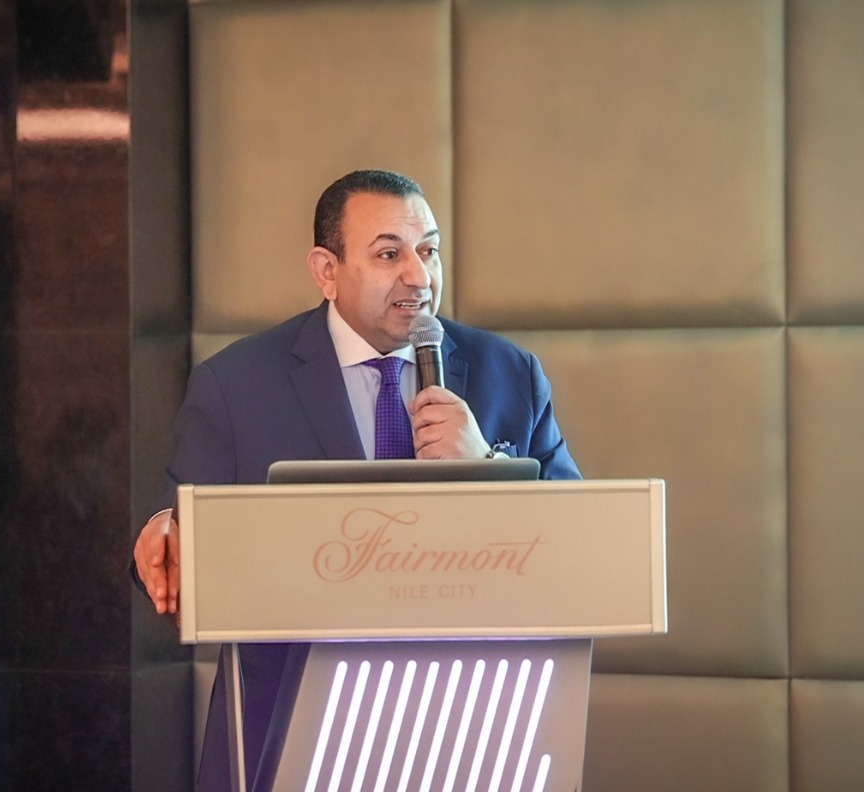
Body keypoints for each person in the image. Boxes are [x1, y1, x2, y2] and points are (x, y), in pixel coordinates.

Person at [131, 169, 580, 788]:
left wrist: (488, 467)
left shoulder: (509, 374)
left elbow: (581, 549)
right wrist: (165, 531)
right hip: (289, 736)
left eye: (429, 251)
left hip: (471, 731)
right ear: (327, 271)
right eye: (390, 254)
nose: (419, 277)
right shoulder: (237, 384)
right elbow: (178, 525)